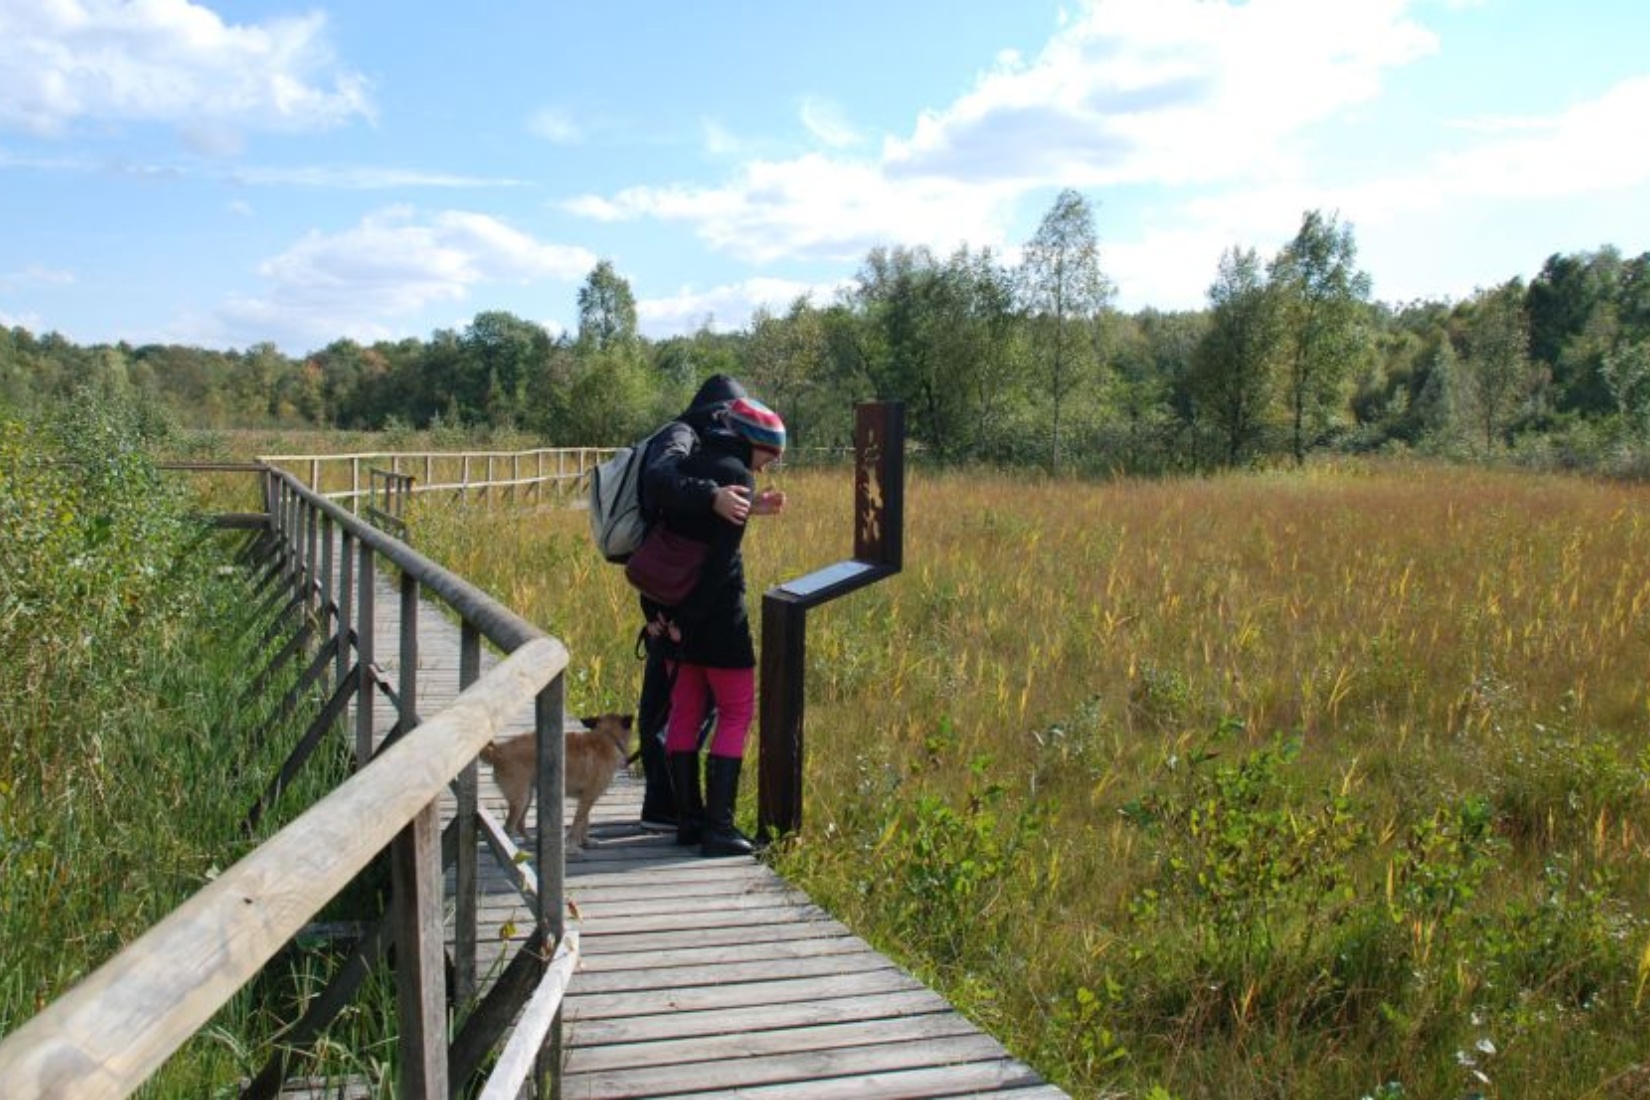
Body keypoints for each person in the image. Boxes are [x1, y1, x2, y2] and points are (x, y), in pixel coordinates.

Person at [632, 376, 781, 832]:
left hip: (672, 609)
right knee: (735, 711)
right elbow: (716, 560)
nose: (772, 464)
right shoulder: (703, 452)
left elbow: (683, 526)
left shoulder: (696, 454)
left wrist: (675, 620)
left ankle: (685, 819)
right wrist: (688, 620)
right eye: (772, 454)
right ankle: (713, 823)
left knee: (683, 709)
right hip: (708, 617)